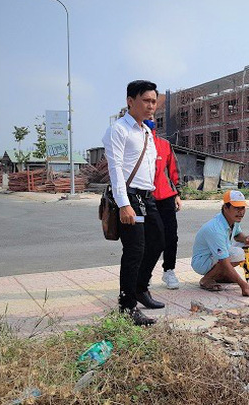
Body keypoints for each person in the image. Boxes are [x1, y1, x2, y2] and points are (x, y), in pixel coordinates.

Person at [102, 80, 165, 326]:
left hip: (147, 197)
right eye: (146, 101)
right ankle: (127, 307)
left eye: (154, 101)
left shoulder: (146, 131)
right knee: (134, 250)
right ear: (130, 101)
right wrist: (124, 203)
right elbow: (115, 168)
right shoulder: (119, 130)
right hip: (129, 197)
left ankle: (140, 288)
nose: (152, 106)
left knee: (159, 239)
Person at [143, 118, 183, 289]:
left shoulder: (164, 144)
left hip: (166, 197)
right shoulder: (137, 144)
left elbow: (173, 169)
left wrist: (178, 194)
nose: (150, 121)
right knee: (147, 238)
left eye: (153, 119)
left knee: (171, 236)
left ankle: (169, 271)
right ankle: (145, 273)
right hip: (145, 197)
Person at [191, 190, 249, 297]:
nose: (241, 212)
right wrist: (242, 284)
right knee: (237, 254)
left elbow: (237, 235)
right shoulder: (216, 228)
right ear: (225, 207)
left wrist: (245, 239)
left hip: (216, 254)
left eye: (242, 208)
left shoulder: (232, 220)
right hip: (202, 261)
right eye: (236, 208)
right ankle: (207, 279)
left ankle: (221, 275)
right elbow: (224, 261)